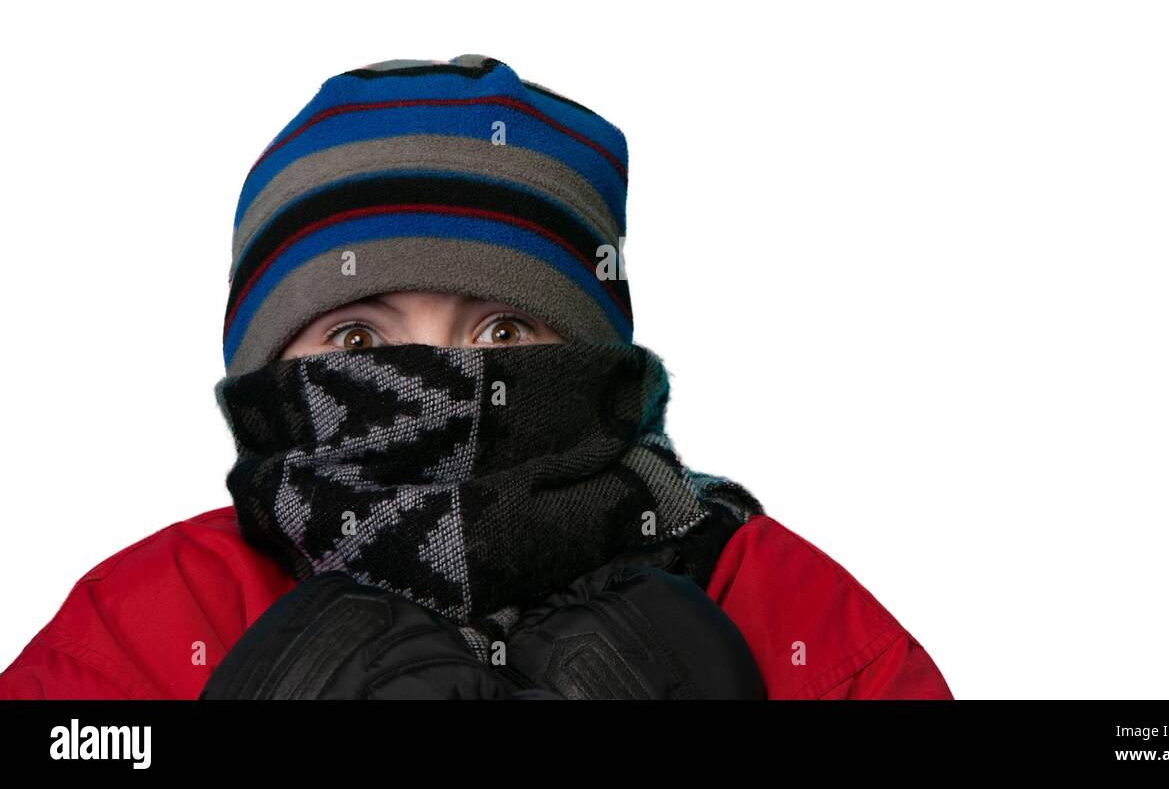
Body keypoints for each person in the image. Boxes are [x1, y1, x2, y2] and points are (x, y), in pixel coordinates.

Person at [0, 55, 953, 699]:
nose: (443, 374)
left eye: (502, 328)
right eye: (359, 344)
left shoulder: (765, 601)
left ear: (588, 353)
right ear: (265, 370)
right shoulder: (151, 624)